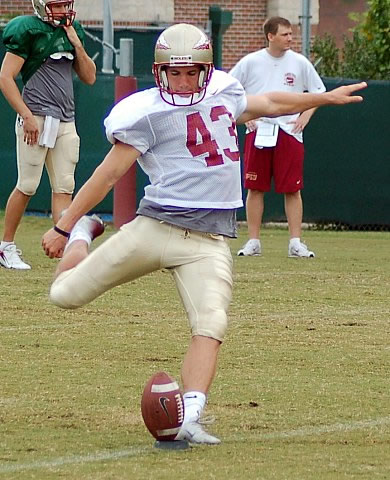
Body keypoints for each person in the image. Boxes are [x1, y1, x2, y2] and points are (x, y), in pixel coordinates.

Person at [41, 23, 365, 444]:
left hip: (208, 241)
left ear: (206, 70)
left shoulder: (224, 92)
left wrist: (323, 96)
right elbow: (107, 176)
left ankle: (189, 417)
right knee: (63, 296)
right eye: (174, 73)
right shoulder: (145, 112)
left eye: (191, 72)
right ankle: (87, 233)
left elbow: (267, 101)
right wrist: (65, 226)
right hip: (155, 227)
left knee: (211, 322)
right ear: (159, 73)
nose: (183, 80)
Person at [0, 0, 96, 270]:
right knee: (27, 185)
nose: (64, 11)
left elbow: (89, 77)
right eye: (58, 6)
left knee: (64, 185)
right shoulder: (27, 29)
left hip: (65, 119)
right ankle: (5, 246)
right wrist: (27, 115)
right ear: (42, 6)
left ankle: (62, 245)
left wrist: (77, 45)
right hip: (37, 118)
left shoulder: (70, 29)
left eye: (66, 5)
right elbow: (5, 77)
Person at [230, 17, 326, 258]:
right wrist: (245, 115)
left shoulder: (300, 62)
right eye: (284, 34)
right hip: (258, 132)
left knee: (292, 189)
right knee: (255, 187)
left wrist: (306, 115)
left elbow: (319, 92)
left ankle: (295, 242)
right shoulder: (250, 62)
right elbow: (230, 90)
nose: (290, 39)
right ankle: (253, 242)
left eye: (291, 34)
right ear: (270, 36)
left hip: (289, 132)